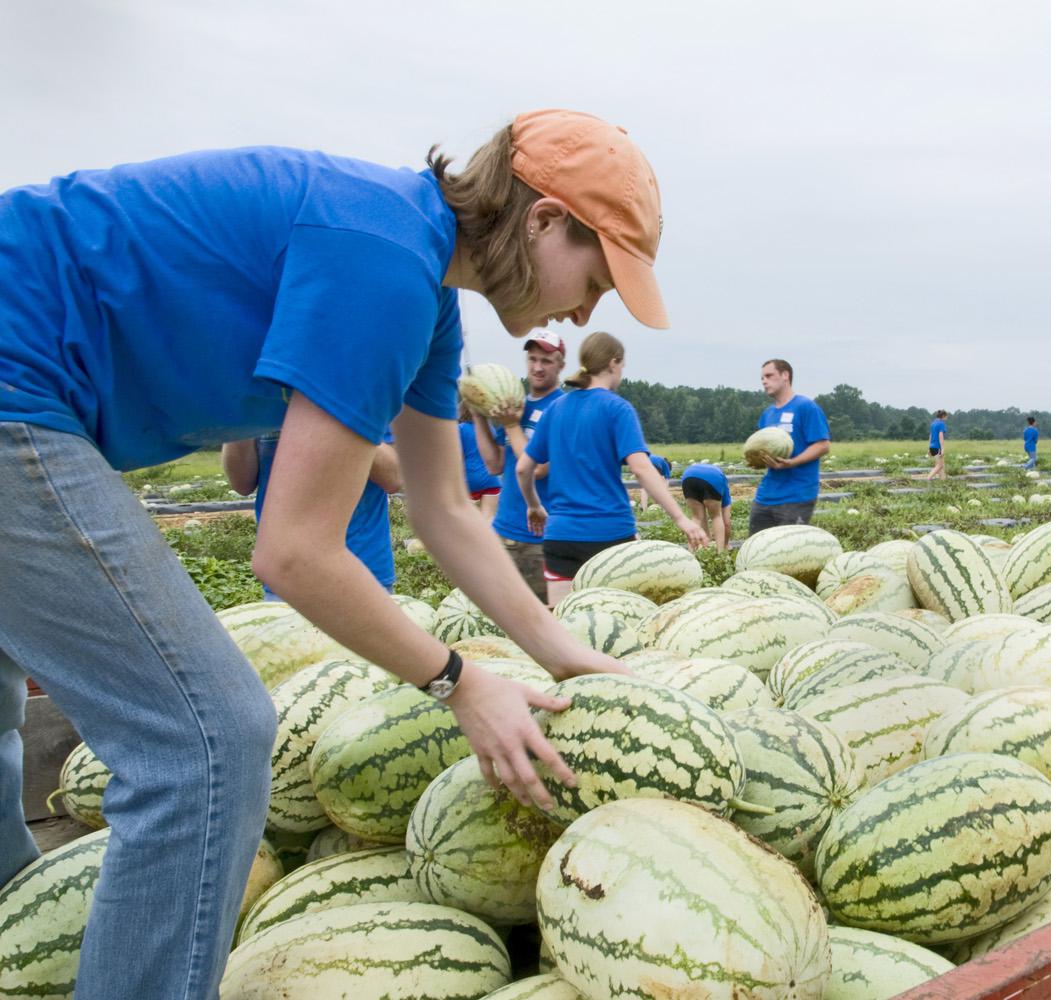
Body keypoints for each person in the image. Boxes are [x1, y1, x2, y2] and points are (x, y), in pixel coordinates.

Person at [0, 108, 664, 999]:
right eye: (597, 276)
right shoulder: (382, 259)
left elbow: (441, 508)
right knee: (209, 743)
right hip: (16, 387)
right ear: (543, 220)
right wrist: (460, 682)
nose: (587, 310)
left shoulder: (418, 289)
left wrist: (558, 648)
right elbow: (295, 552)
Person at [518, 332, 707, 605]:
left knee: (563, 623)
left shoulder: (555, 409)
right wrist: (681, 519)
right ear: (613, 363)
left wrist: (533, 505)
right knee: (617, 625)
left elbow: (524, 469)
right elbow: (641, 469)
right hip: (609, 535)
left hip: (560, 537)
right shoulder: (617, 409)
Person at [221, 432, 402, 596]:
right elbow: (241, 484)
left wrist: (341, 411)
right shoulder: (261, 398)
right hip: (287, 577)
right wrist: (243, 415)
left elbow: (393, 478)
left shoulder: (369, 396)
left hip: (364, 571)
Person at [474, 331, 567, 601]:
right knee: (499, 623)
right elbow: (495, 464)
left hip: (543, 541)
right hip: (504, 532)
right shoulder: (516, 405)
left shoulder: (562, 408)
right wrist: (479, 414)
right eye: (533, 359)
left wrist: (512, 425)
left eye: (547, 361)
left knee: (542, 623)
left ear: (561, 365)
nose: (537, 367)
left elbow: (539, 468)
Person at [749, 359, 831, 534]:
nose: (764, 381)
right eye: (762, 377)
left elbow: (823, 445)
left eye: (769, 376)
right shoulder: (767, 414)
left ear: (785, 375)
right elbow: (764, 448)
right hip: (766, 495)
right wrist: (756, 459)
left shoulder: (806, 407)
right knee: (756, 547)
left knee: (787, 554)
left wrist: (792, 462)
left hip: (797, 495)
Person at [457, 407, 501, 522]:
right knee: (488, 518)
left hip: (469, 481)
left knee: (466, 520)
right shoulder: (490, 429)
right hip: (491, 480)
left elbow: (457, 458)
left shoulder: (460, 429)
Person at [680, 462, 733, 551]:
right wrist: (726, 544)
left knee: (697, 517)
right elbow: (726, 523)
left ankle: (692, 552)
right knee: (716, 516)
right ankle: (721, 554)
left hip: (688, 476)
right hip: (713, 478)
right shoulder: (725, 486)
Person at [926, 409, 949, 481]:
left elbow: (930, 436)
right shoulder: (941, 423)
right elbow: (941, 436)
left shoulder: (933, 424)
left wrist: (929, 448)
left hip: (932, 447)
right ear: (943, 416)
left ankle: (943, 480)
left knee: (941, 465)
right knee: (940, 465)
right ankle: (928, 478)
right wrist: (942, 449)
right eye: (946, 417)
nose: (947, 418)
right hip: (937, 447)